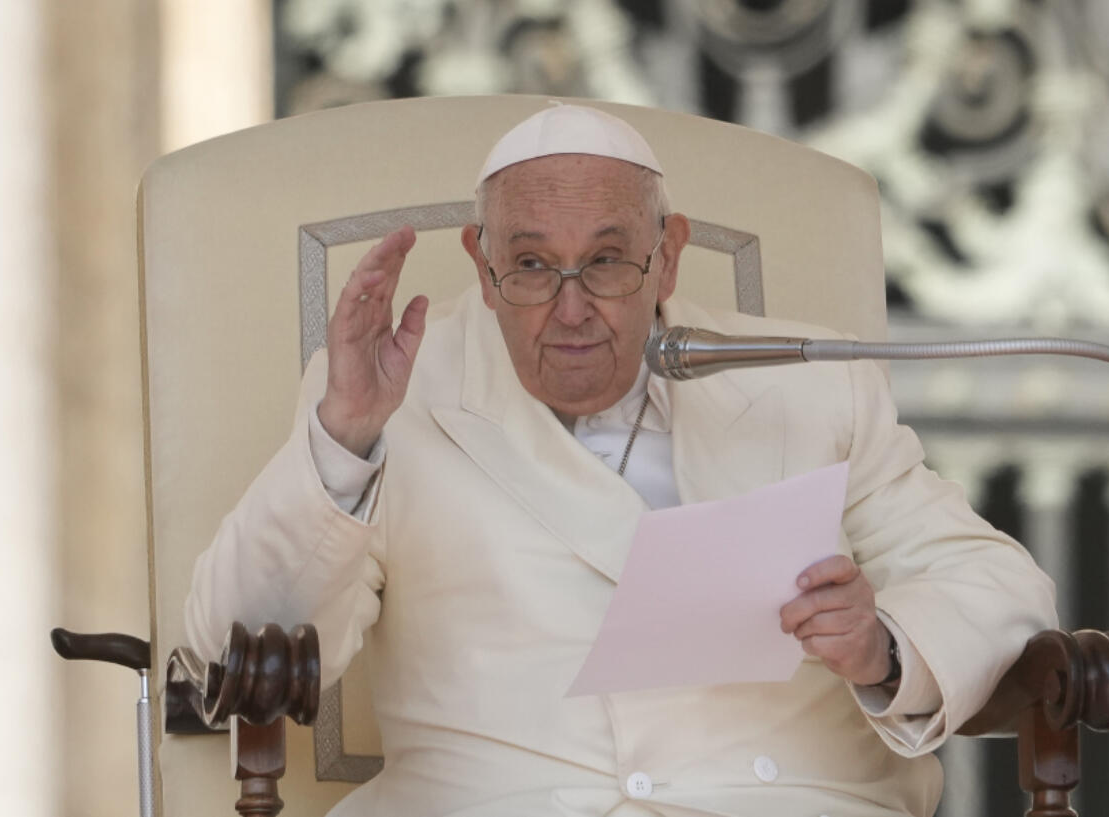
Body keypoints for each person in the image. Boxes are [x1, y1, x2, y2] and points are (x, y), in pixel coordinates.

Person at [186, 103, 1057, 817]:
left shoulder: (811, 379)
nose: (569, 309)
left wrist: (885, 649)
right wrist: (344, 435)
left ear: (667, 257)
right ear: (481, 268)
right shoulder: (388, 387)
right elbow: (233, 646)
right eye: (530, 265)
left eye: (605, 262)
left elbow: (995, 584)